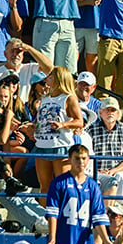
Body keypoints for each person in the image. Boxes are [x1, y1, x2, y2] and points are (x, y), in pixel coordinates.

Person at [45, 144, 117, 244]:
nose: (81, 162)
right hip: (63, 239)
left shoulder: (93, 186)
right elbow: (52, 213)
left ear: (88, 159)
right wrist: (52, 238)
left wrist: (106, 240)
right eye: (77, 158)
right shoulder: (59, 183)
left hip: (84, 242)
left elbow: (98, 216)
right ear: (69, 159)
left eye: (83, 158)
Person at [35, 66, 85, 194]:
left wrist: (63, 124)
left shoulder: (69, 98)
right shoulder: (44, 99)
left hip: (61, 145)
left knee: (62, 185)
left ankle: (63, 213)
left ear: (58, 79)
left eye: (50, 76)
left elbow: (80, 121)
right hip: (41, 144)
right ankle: (43, 213)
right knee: (44, 187)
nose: (47, 78)